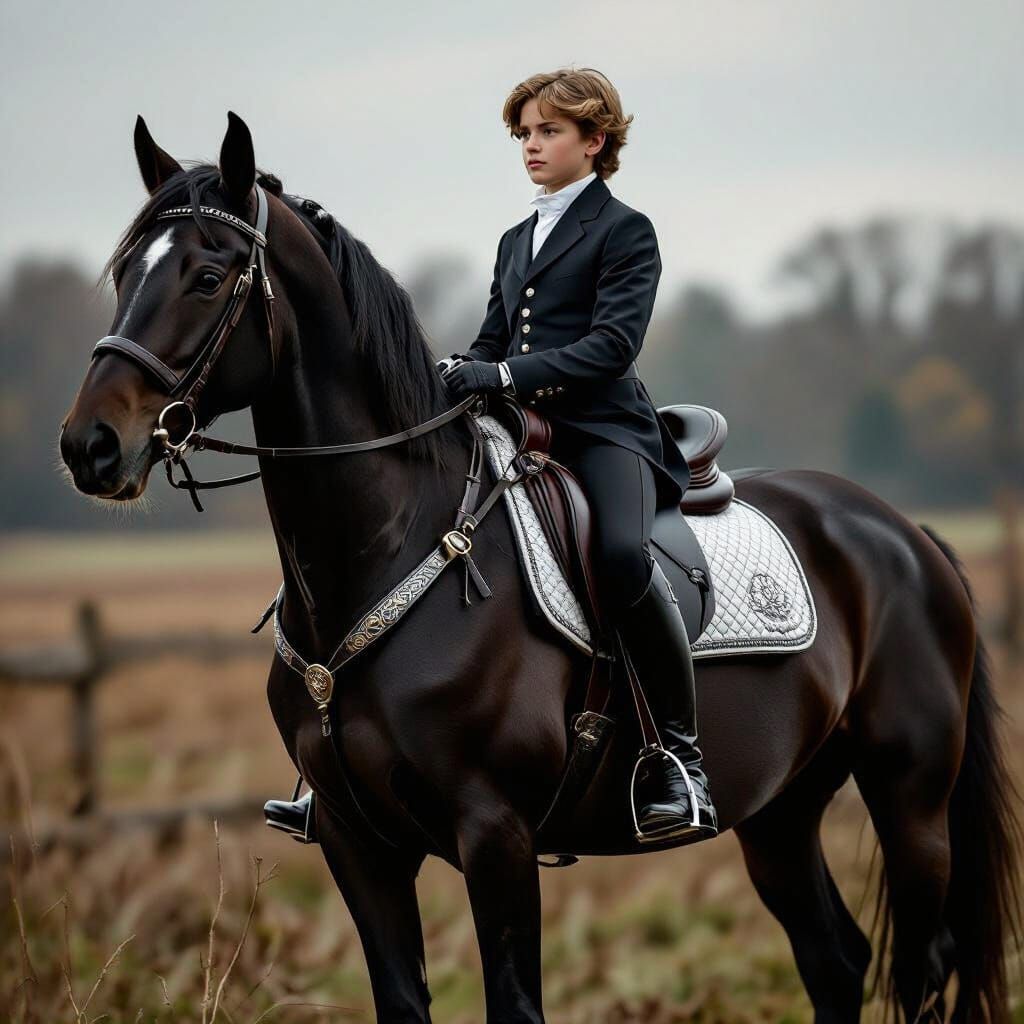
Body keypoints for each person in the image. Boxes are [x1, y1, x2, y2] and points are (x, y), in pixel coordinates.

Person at [265, 66, 717, 846]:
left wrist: (502, 373)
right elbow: (495, 336)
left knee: (616, 555)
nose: (532, 147)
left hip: (603, 434)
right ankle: (344, 772)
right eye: (525, 134)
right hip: (520, 431)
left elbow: (611, 347)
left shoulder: (626, 230)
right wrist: (457, 373)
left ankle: (678, 757)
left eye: (548, 132)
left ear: (594, 141)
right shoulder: (518, 237)